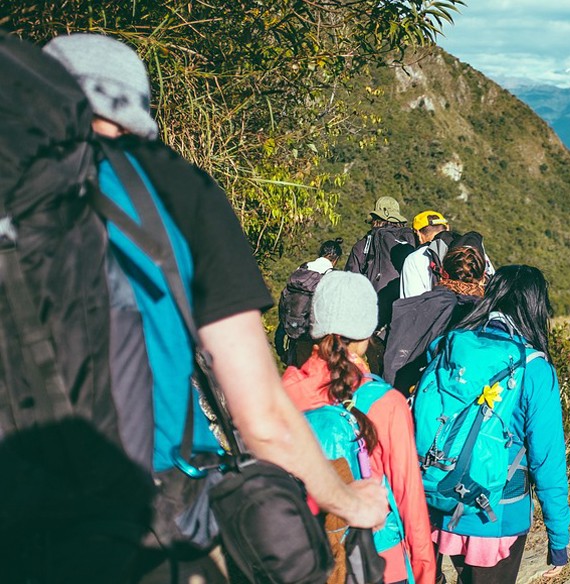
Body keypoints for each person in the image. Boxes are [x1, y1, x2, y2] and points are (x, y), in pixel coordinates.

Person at [42, 32, 389, 578]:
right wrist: (351, 502)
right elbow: (262, 419)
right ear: (137, 108)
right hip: (143, 518)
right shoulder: (173, 189)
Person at [283, 271, 436, 584]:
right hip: (377, 559)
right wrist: (424, 573)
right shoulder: (385, 402)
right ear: (367, 333)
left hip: (307, 560)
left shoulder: (285, 393)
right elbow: (409, 501)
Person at [425, 266, 570, 584]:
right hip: (496, 517)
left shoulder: (452, 344)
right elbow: (549, 463)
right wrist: (558, 540)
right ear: (535, 308)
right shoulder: (534, 368)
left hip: (440, 500)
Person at [384, 234, 488, 394]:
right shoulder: (488, 316)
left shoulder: (417, 305)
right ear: (482, 278)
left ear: (443, 272)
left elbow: (396, 357)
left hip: (411, 395)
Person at [275, 237, 344, 367]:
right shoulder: (332, 276)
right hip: (317, 339)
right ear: (335, 260)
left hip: (294, 334)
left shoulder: (301, 269)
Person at [400, 210, 454, 299]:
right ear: (447, 228)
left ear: (418, 233)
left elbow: (412, 302)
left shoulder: (415, 259)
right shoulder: (467, 250)